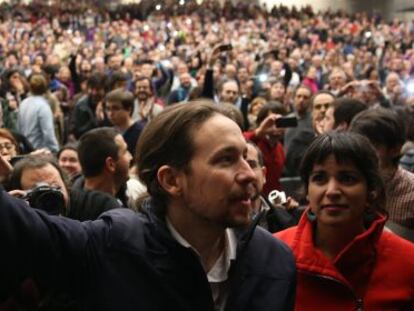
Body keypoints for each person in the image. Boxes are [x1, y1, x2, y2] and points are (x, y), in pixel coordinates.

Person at [0, 101, 296, 311]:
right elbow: (21, 228)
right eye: (226, 160)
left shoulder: (276, 261)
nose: (248, 173)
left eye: (247, 157)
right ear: (171, 180)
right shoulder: (112, 246)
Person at [276, 132, 414, 310]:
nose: (332, 190)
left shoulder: (407, 262)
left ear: (370, 190)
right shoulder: (274, 254)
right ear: (307, 191)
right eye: (319, 178)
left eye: (347, 178)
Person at [349, 108, 414, 236]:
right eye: (358, 145)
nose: (361, 154)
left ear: (395, 149)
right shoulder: (345, 184)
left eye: (372, 146)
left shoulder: (411, 193)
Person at [17, 73, 59, 152]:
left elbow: (19, 127)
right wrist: (55, 149)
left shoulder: (23, 103)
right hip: (39, 150)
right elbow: (48, 132)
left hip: (25, 148)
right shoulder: (43, 107)